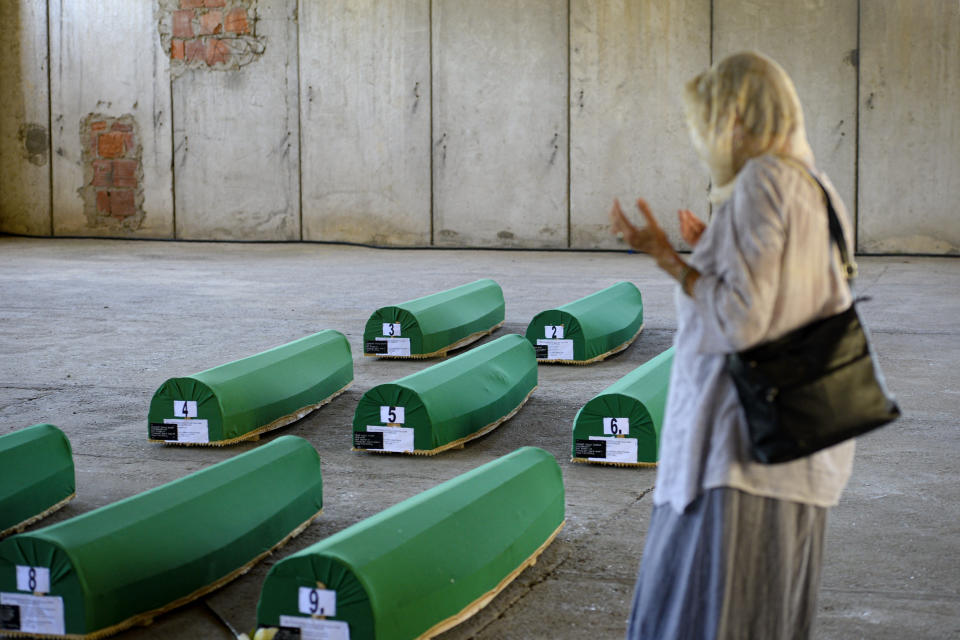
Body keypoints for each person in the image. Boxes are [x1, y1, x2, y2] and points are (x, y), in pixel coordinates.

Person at [609, 51, 856, 640]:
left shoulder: (764, 182)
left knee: (705, 615)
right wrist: (719, 244)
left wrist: (670, 259)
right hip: (799, 443)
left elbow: (743, 320)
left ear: (737, 118)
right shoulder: (814, 186)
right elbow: (790, 292)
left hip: (739, 452)